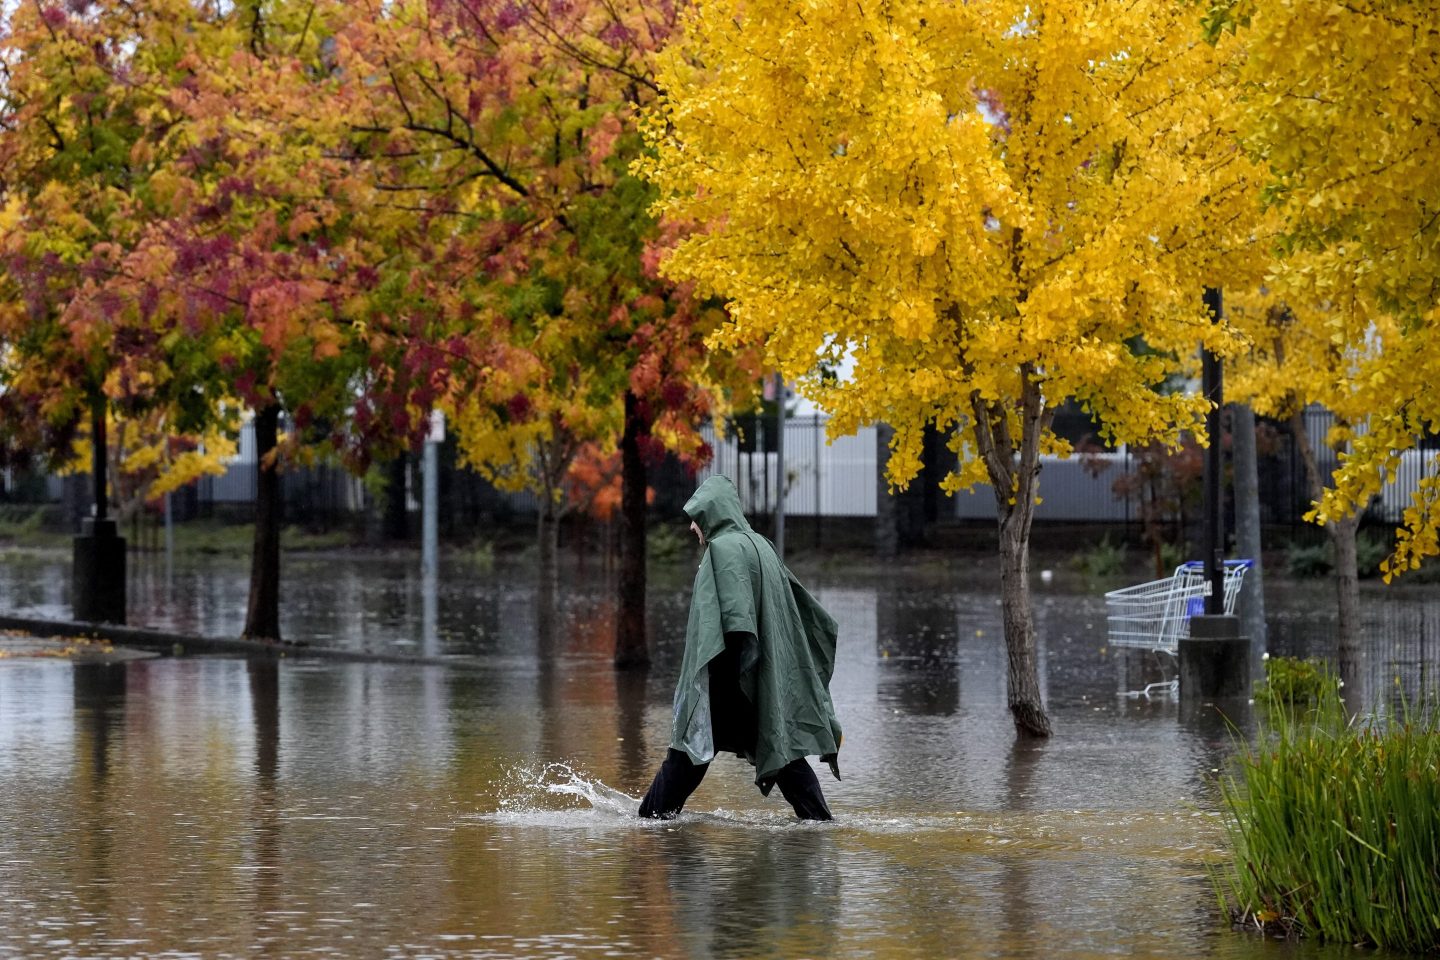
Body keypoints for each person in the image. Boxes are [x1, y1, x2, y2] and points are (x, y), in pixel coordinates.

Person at [639, 475, 842, 821]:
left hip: (730, 671)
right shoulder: (762, 545)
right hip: (761, 672)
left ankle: (649, 823)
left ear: (713, 513)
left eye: (697, 516)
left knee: (689, 749)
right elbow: (796, 608)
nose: (692, 527)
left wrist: (719, 680)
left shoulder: (722, 551)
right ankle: (820, 824)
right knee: (781, 750)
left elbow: (733, 619)